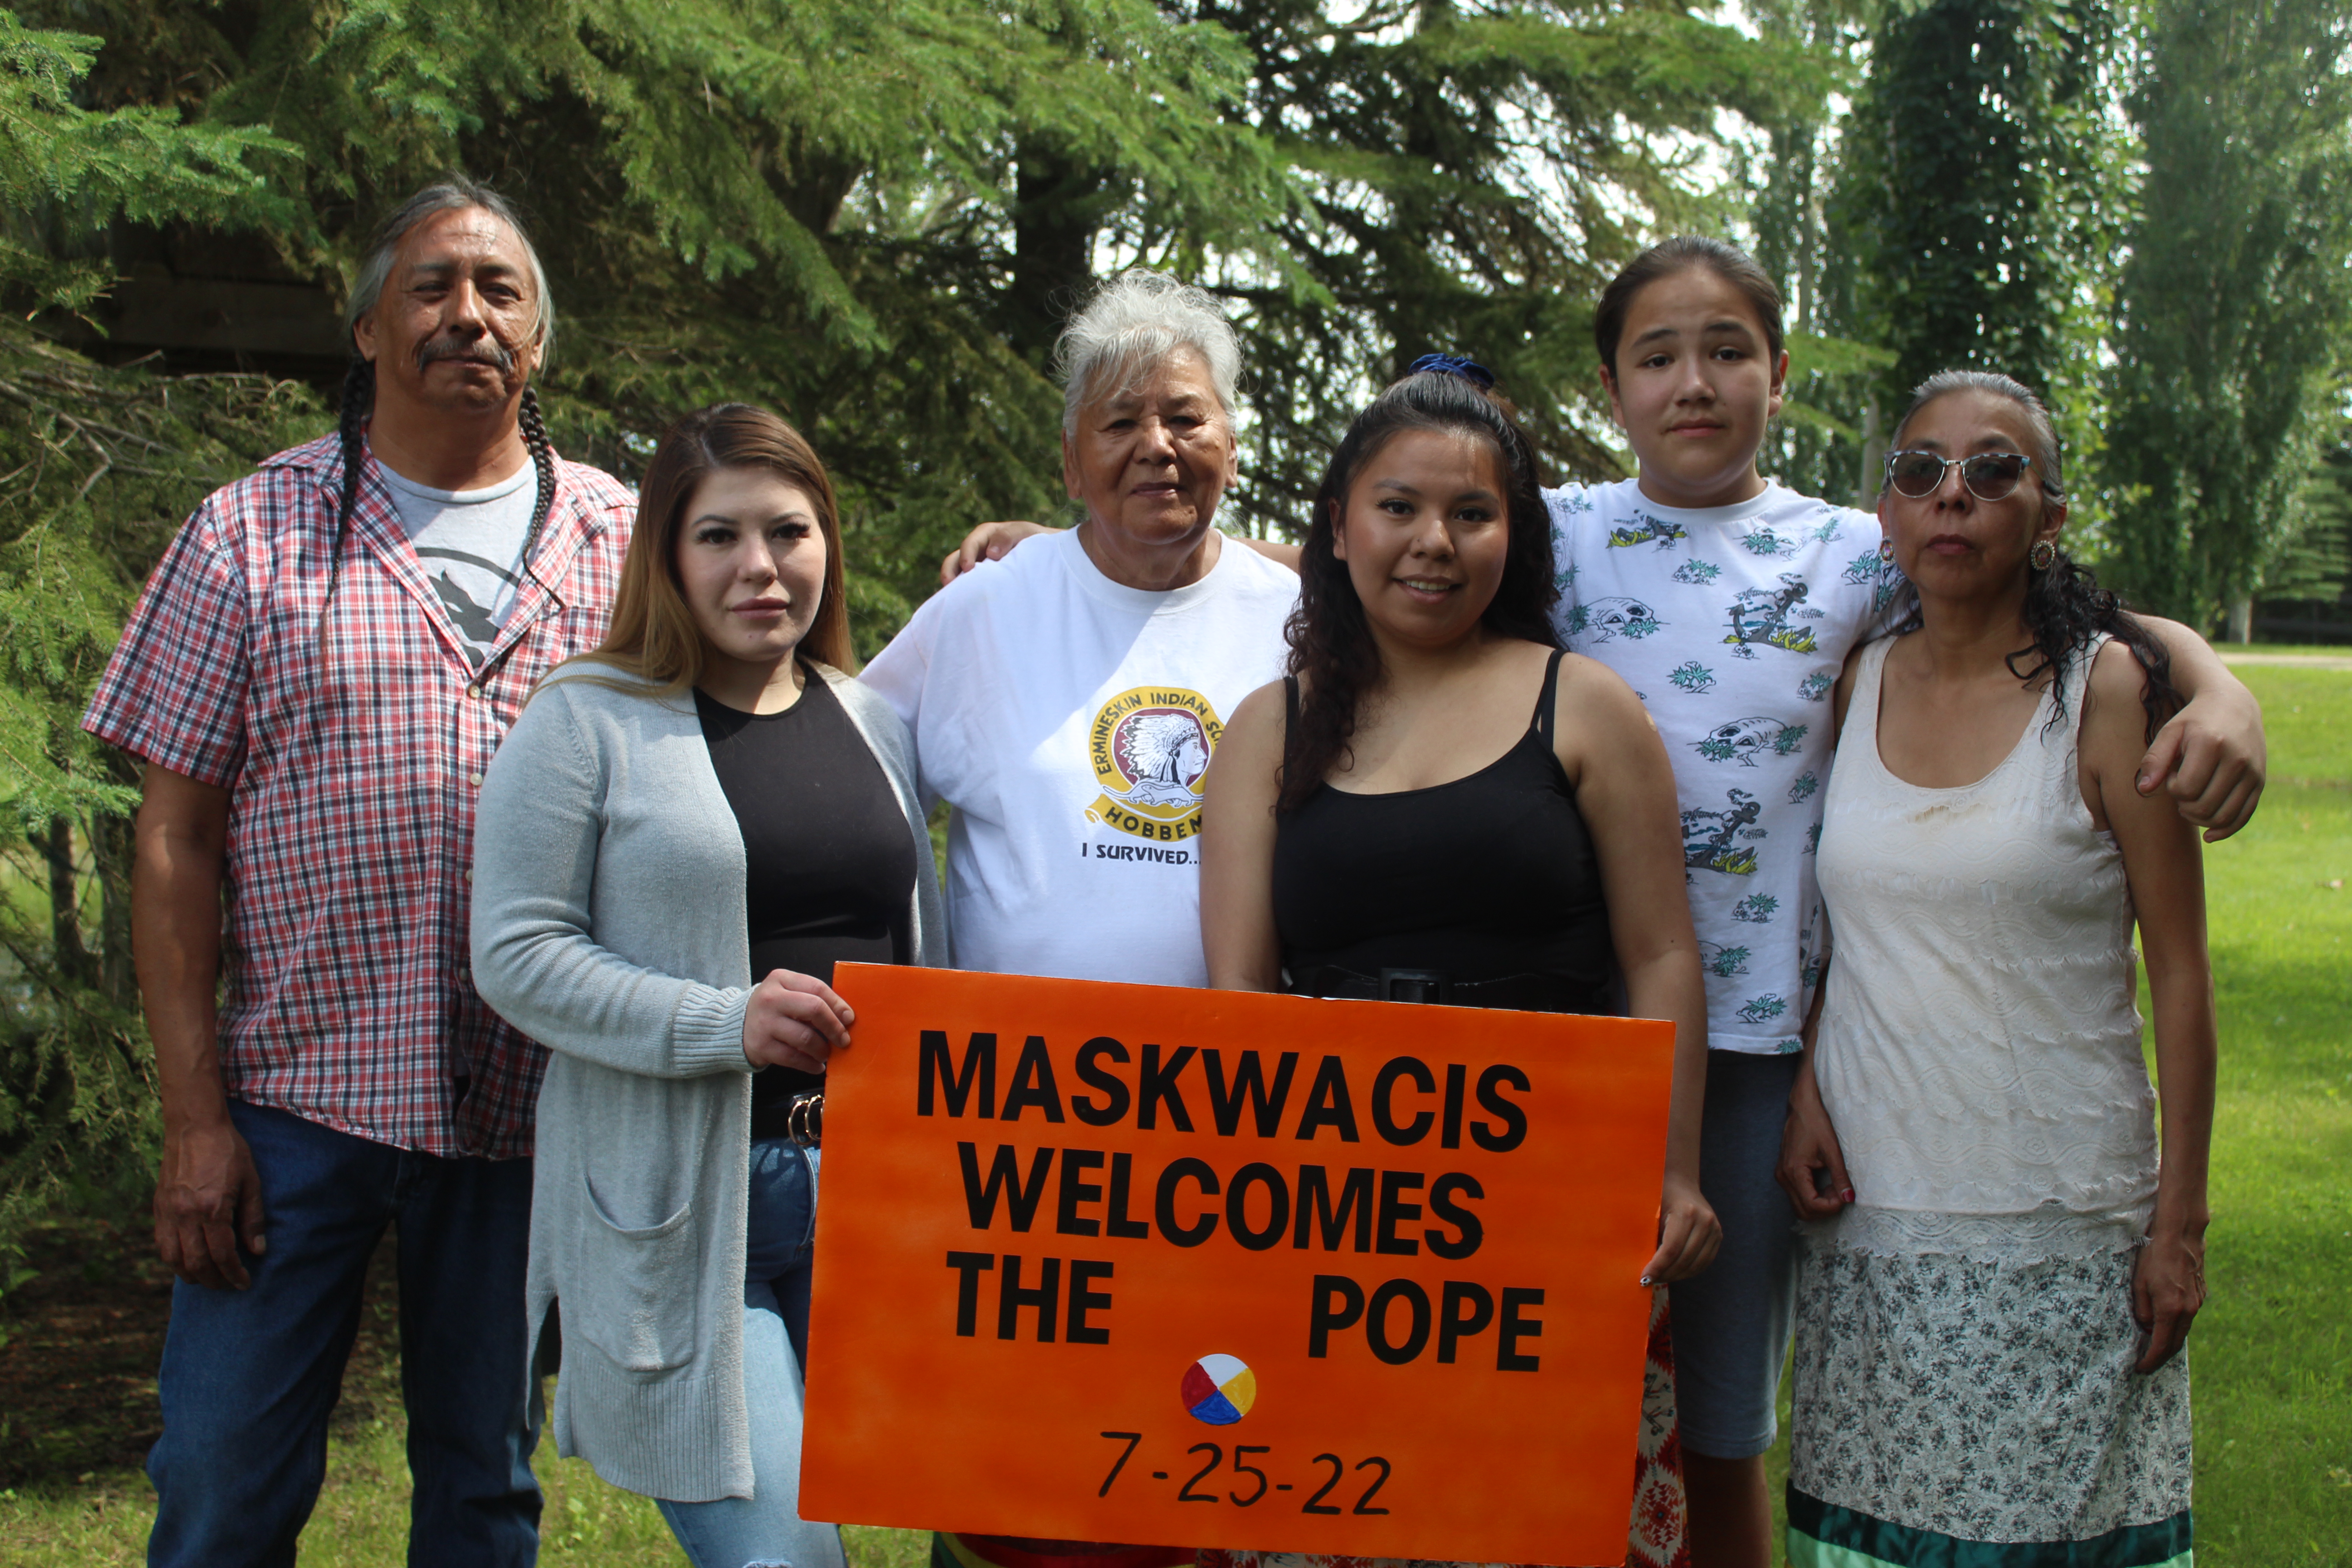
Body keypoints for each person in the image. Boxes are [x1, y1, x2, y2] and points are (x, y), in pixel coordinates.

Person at [936, 237, 2264, 1568]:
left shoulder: (1774, 593)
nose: (1436, 542)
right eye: (1657, 356)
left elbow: (2023, 580)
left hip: (1649, 1118)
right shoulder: (1405, 634)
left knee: (1661, 1462)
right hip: (1361, 1170)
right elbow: (1249, 971)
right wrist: (1065, 542)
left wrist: (2214, 684)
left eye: (1729, 352)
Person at [82, 177, 632, 1567]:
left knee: (486, 1485)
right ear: (370, 328)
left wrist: (1003, 561)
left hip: (531, 1107)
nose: (469, 316)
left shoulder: (625, 541)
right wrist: (196, 1124)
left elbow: (785, 657)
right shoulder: (250, 533)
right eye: (433, 288)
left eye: (501, 291)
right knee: (218, 1477)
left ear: (540, 342)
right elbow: (173, 840)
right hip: (295, 1106)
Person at [1198, 362, 1718, 1568]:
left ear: (1512, 534)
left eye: (1472, 514)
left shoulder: (1583, 708)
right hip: (1330, 1211)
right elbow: (1233, 1002)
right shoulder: (1269, 731)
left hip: (1561, 1202)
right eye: (1398, 507)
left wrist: (1675, 1170)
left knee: (1539, 1534)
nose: (1434, 543)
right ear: (1339, 526)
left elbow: (1659, 958)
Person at [860, 270, 1301, 1568]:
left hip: (1237, 1137)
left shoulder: (1304, 617)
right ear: (1068, 457)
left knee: (1207, 1463)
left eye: (1185, 416)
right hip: (1017, 1140)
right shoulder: (986, 608)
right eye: (1118, 423)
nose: (1155, 448)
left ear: (1232, 439)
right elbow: (842, 777)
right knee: (1014, 1496)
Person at [470, 402, 945, 1568]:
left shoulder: (873, 722)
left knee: (983, 1521)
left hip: (875, 1205)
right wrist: (723, 1023)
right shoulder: (588, 720)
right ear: (667, 560)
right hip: (694, 1206)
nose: (760, 568)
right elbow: (517, 954)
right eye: (719, 537)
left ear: (827, 545)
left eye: (788, 532)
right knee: (784, 1558)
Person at [1774, 370, 2209, 1566]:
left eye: (1993, 471)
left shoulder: (2110, 694)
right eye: (1921, 471)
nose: (1951, 497)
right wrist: (1806, 1086)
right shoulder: (1856, 681)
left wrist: (2181, 1224)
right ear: (1888, 515)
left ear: (2049, 515)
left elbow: (2180, 975)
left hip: (2059, 1219)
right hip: (1873, 1218)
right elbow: (1840, 932)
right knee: (1878, 1539)